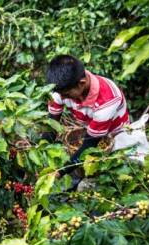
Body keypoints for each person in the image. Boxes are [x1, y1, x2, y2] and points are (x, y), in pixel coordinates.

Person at [45, 55, 130, 186]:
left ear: (82, 84)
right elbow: (51, 127)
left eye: (66, 95)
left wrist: (60, 172)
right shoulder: (61, 90)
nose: (62, 98)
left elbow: (88, 146)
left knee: (110, 174)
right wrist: (40, 150)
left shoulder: (106, 102)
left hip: (116, 135)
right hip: (92, 129)